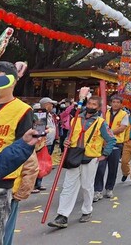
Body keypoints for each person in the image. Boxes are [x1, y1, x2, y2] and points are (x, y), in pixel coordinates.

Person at [48, 90, 116, 229]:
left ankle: (87, 210)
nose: (91, 105)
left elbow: (111, 139)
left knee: (86, 186)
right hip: (74, 155)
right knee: (68, 187)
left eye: (94, 104)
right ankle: (62, 216)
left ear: (98, 107)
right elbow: (70, 136)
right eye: (90, 103)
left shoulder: (100, 122)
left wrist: (104, 154)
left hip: (90, 157)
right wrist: (67, 142)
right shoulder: (76, 118)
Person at [0, 62, 34, 243]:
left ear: (13, 82)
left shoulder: (22, 110)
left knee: (1, 235)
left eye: (1, 77)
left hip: (3, 183)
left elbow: (26, 150)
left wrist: (24, 184)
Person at [93, 95, 129, 201]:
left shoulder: (124, 114)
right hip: (103, 144)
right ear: (111, 102)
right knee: (100, 168)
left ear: (121, 104)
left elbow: (122, 128)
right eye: (114, 102)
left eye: (118, 102)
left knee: (113, 168)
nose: (116, 104)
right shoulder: (104, 112)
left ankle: (109, 188)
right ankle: (98, 190)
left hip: (116, 144)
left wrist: (108, 133)